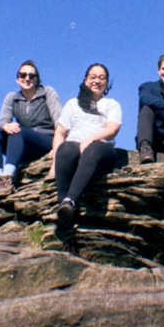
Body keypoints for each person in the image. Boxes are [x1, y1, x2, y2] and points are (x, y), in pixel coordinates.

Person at [50, 63, 122, 228]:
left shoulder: (112, 104)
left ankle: (71, 199)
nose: (97, 81)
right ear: (85, 80)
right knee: (66, 148)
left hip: (102, 148)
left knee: (93, 149)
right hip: (75, 145)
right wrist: (54, 162)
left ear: (107, 82)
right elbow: (60, 133)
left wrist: (90, 140)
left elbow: (112, 129)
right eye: (93, 77)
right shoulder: (72, 104)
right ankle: (63, 206)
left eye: (101, 78)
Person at [0, 60, 63, 196]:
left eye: (31, 76)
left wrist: (58, 147)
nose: (27, 79)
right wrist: (5, 126)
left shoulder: (47, 92)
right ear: (17, 79)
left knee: (18, 131)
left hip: (46, 142)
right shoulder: (12, 98)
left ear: (37, 79)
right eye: (23, 75)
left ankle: (7, 178)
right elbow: (2, 121)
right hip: (23, 144)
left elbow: (60, 122)